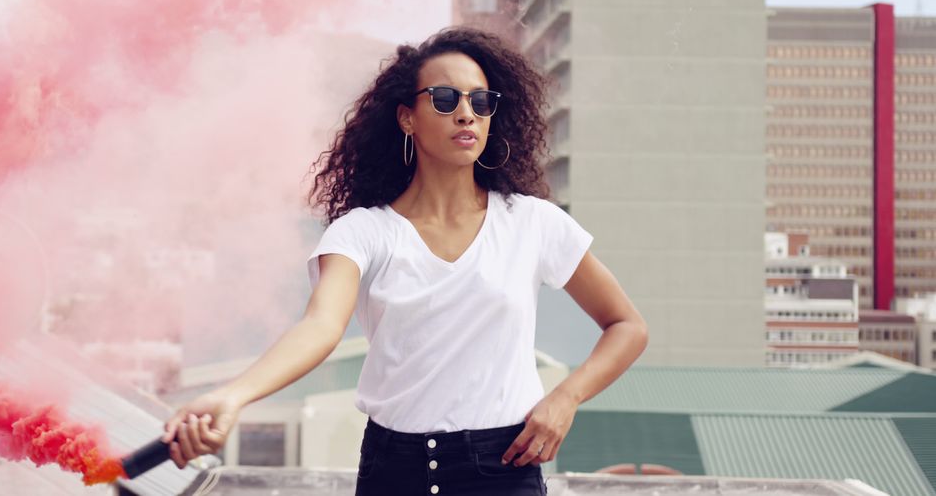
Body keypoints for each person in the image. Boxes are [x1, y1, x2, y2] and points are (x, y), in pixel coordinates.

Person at [162, 27, 648, 495]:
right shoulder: (363, 232)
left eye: (481, 102)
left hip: (503, 470)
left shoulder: (534, 223)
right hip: (393, 470)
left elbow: (627, 325)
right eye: (445, 99)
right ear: (406, 118)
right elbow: (319, 327)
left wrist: (566, 397)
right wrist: (233, 395)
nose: (467, 115)